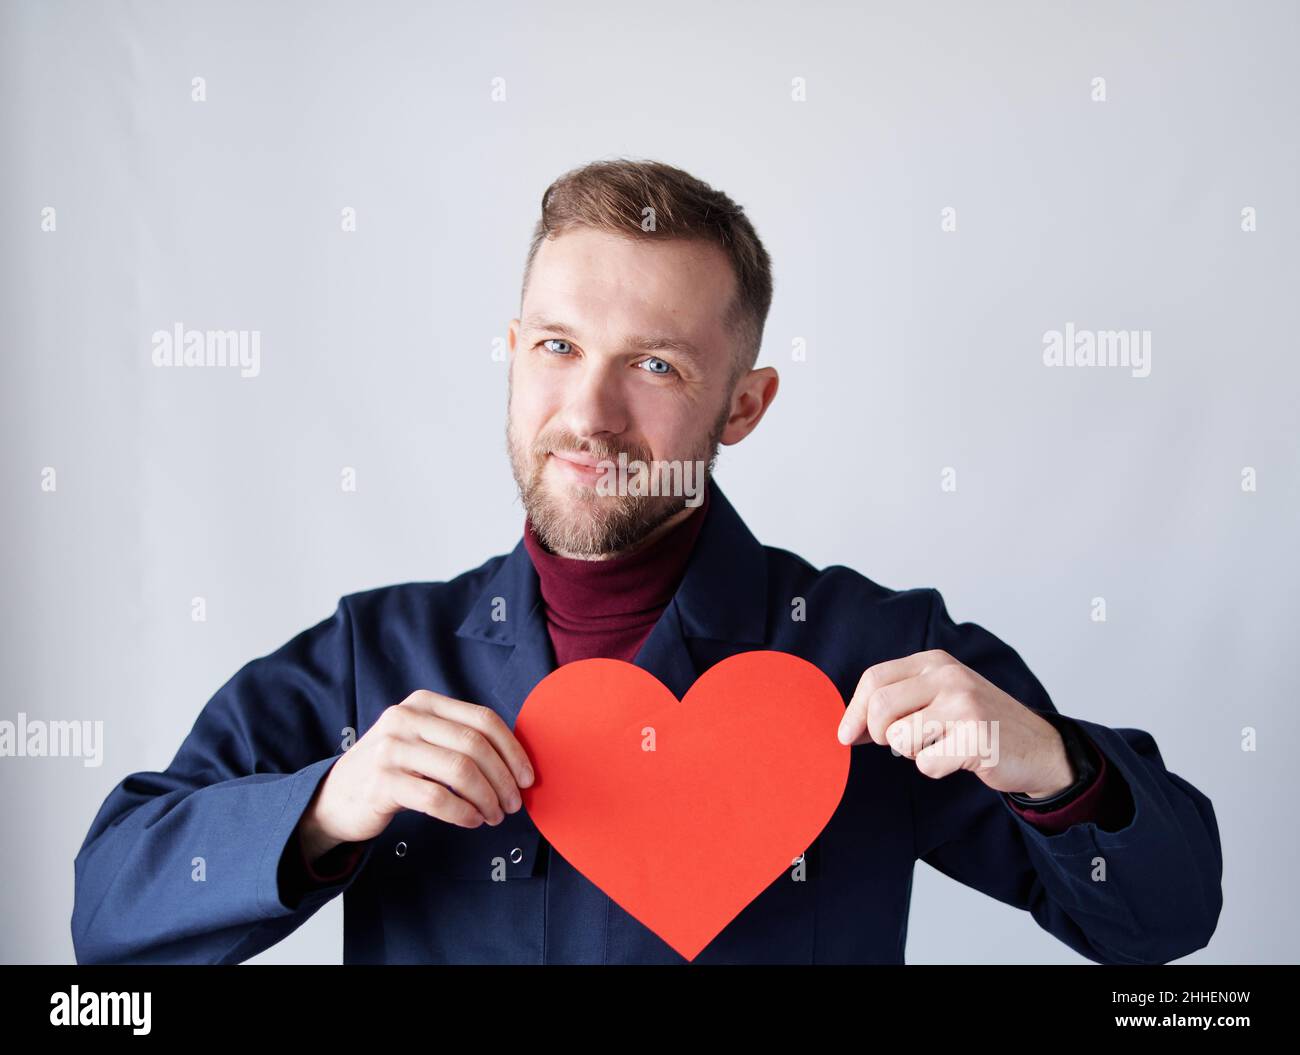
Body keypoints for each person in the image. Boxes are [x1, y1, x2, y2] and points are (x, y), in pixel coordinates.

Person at [72, 158, 1222, 965]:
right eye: (558, 346)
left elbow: (1165, 921)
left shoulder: (881, 657)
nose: (589, 412)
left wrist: (1058, 770)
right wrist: (327, 805)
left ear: (745, 404)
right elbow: (108, 913)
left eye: (657, 366)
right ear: (512, 353)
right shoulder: (369, 664)